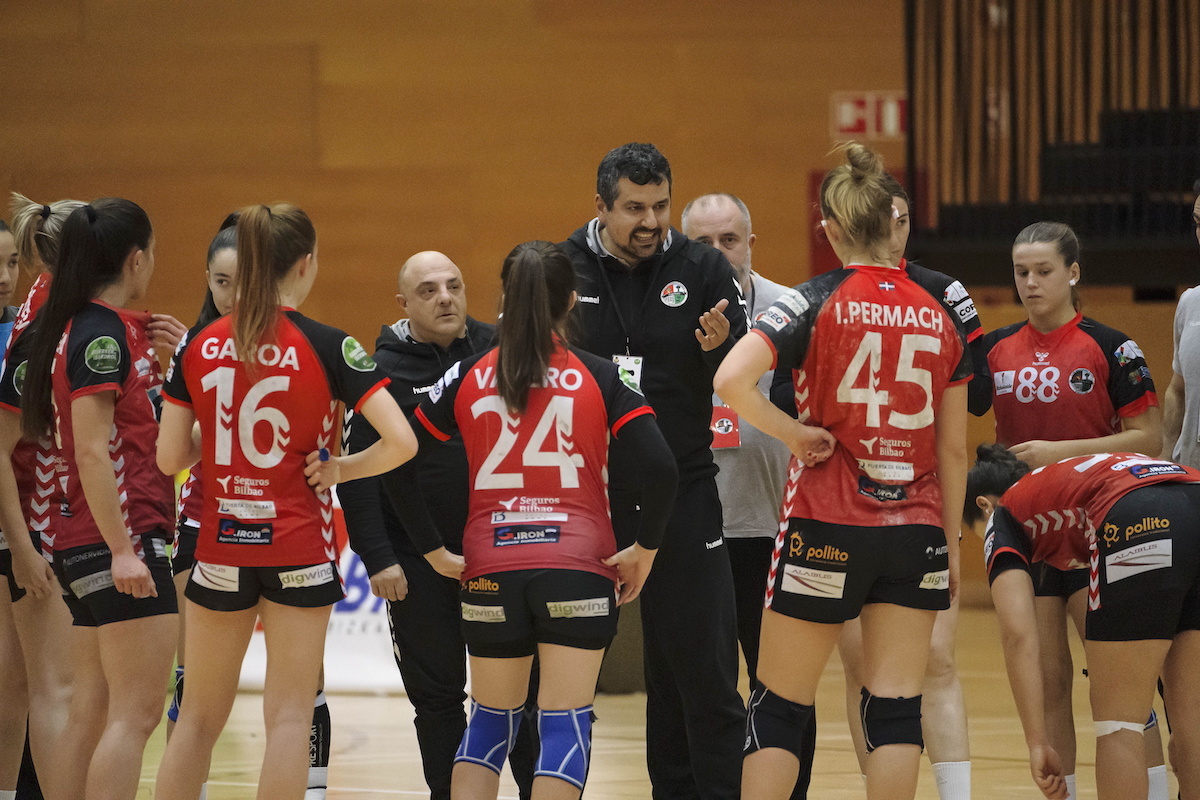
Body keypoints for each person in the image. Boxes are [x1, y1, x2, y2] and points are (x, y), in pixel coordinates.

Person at [714, 142, 970, 800]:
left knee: (777, 707)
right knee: (893, 710)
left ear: (830, 229)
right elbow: (953, 450)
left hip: (823, 525)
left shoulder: (810, 301)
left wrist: (795, 435)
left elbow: (731, 378)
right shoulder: (942, 310)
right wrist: (949, 541)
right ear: (896, 225)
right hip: (915, 532)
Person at [387, 240, 677, 800]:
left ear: (504, 297)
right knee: (563, 723)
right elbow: (663, 469)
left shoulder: (467, 375)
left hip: (490, 567)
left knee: (490, 723)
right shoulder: (601, 375)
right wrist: (646, 548)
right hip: (577, 567)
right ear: (571, 300)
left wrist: (432, 552)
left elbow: (399, 462)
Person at [154, 203, 417, 800]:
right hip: (298, 547)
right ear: (305, 265)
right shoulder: (329, 345)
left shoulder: (200, 344)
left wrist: (221, 439)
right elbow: (401, 441)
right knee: (290, 717)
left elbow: (171, 458)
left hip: (220, 545)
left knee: (196, 718)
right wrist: (341, 467)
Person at [558, 143, 747, 799]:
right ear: (602, 206)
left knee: (701, 677)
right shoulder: (561, 269)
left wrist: (723, 351)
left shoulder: (702, 267)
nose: (650, 221)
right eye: (634, 208)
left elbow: (747, 363)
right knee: (555, 686)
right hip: (585, 498)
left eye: (661, 205)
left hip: (685, 493)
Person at [970, 220, 1164, 797]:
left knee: (1117, 683)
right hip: (1026, 529)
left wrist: (1061, 452)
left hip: (1095, 525)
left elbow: (1149, 438)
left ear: (1073, 272)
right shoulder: (996, 349)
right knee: (1049, 680)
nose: (1030, 283)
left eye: (1043, 271)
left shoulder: (1109, 346)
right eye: (1020, 272)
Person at [340, 250, 538, 799]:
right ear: (403, 304)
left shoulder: (502, 351)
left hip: (502, 548)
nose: (445, 297)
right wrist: (377, 556)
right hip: (414, 559)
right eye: (428, 290)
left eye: (453, 285)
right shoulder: (376, 372)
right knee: (438, 697)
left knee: (521, 690)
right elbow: (356, 475)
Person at [19, 198, 178, 800]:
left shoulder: (75, 327)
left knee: (93, 710)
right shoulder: (99, 335)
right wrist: (124, 550)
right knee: (134, 717)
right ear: (136, 259)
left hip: (82, 539)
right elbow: (91, 450)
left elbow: (163, 448)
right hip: (118, 540)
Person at [833, 175, 978, 800]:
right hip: (842, 507)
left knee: (935, 660)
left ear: (908, 224)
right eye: (882, 220)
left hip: (919, 506)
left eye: (901, 219)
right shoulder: (833, 295)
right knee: (860, 664)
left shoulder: (943, 293)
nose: (893, 231)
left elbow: (974, 403)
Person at [974, 448, 1200, 800]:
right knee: (1193, 723)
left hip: (1138, 512)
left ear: (983, 506)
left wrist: (1037, 743)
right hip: (1193, 492)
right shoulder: (1061, 483)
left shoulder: (1001, 516)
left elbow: (1018, 634)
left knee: (1119, 724)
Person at [681, 192, 790, 686]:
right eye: (702, 242)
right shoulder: (666, 312)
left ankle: (790, 769)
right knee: (707, 680)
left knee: (778, 680)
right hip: (696, 525)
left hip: (772, 523)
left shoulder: (791, 311)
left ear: (750, 243)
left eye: (728, 239)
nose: (717, 251)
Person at [1161, 179, 1200, 464]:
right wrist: (1165, 456)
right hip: (1191, 476)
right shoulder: (1190, 303)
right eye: (1199, 223)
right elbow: (1177, 389)